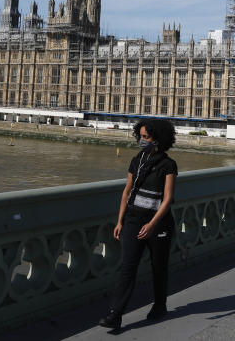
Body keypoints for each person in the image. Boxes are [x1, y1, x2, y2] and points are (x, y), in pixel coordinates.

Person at [99, 119, 178, 330]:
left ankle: (160, 305)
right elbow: (127, 192)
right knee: (128, 267)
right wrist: (120, 220)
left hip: (158, 224)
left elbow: (168, 199)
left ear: (158, 140)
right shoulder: (137, 160)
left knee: (158, 267)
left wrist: (152, 224)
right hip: (134, 220)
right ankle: (115, 314)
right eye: (140, 136)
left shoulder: (168, 165)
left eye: (146, 138)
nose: (142, 141)